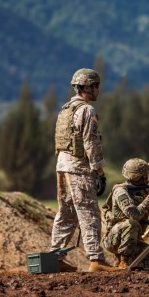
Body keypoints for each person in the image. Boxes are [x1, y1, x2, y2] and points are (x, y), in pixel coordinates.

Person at [51, 68, 117, 272]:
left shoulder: (66, 109)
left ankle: (54, 258)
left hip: (62, 166)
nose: (99, 90)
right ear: (88, 87)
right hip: (79, 168)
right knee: (89, 212)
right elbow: (91, 142)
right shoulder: (87, 110)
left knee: (66, 213)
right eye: (97, 86)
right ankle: (96, 260)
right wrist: (99, 171)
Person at [101, 158, 149, 269]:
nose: (147, 179)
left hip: (133, 240)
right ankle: (123, 260)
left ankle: (130, 261)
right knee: (131, 223)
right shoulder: (121, 191)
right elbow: (134, 215)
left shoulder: (143, 190)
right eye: (144, 176)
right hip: (114, 240)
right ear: (136, 176)